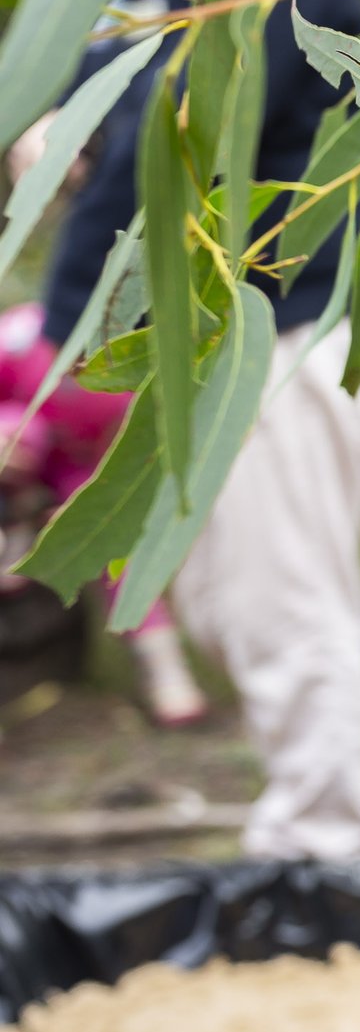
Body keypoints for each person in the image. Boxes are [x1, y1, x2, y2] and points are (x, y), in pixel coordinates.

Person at [25, 0, 360, 857]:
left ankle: (328, 852)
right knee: (233, 599)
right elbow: (89, 119)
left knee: (281, 604)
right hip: (219, 337)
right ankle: (343, 825)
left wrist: (61, 337)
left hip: (280, 328)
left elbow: (177, 144)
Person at [0, 303, 205, 725]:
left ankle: (163, 667)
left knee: (115, 548)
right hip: (29, 463)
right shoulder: (18, 343)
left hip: (90, 470)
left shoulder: (125, 359)